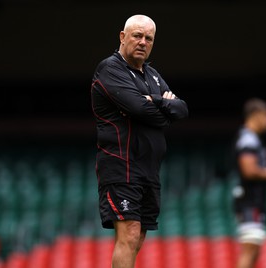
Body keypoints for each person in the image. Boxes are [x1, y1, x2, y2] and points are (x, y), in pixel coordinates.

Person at [90, 14, 188, 268]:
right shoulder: (110, 69)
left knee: (139, 235)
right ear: (122, 37)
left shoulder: (152, 75)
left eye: (149, 38)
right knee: (130, 233)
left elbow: (181, 110)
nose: (143, 42)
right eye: (137, 35)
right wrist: (162, 105)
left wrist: (154, 101)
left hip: (148, 168)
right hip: (121, 164)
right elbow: (139, 109)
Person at [232, 98, 266, 268]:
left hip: (254, 201)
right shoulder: (248, 139)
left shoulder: (253, 138)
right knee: (250, 250)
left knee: (254, 250)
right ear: (256, 115)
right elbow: (249, 170)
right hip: (250, 201)